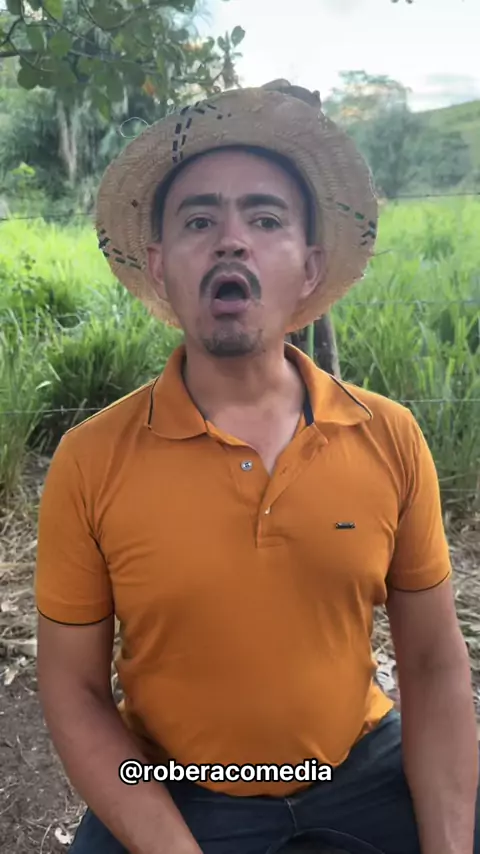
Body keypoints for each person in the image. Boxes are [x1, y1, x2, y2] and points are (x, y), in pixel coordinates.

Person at [34, 80, 479, 854]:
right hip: (168, 785)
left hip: (362, 769)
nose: (231, 241)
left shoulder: (390, 437)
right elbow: (72, 689)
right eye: (199, 220)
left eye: (265, 219)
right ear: (160, 265)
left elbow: (435, 662)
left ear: (309, 267)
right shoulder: (91, 459)